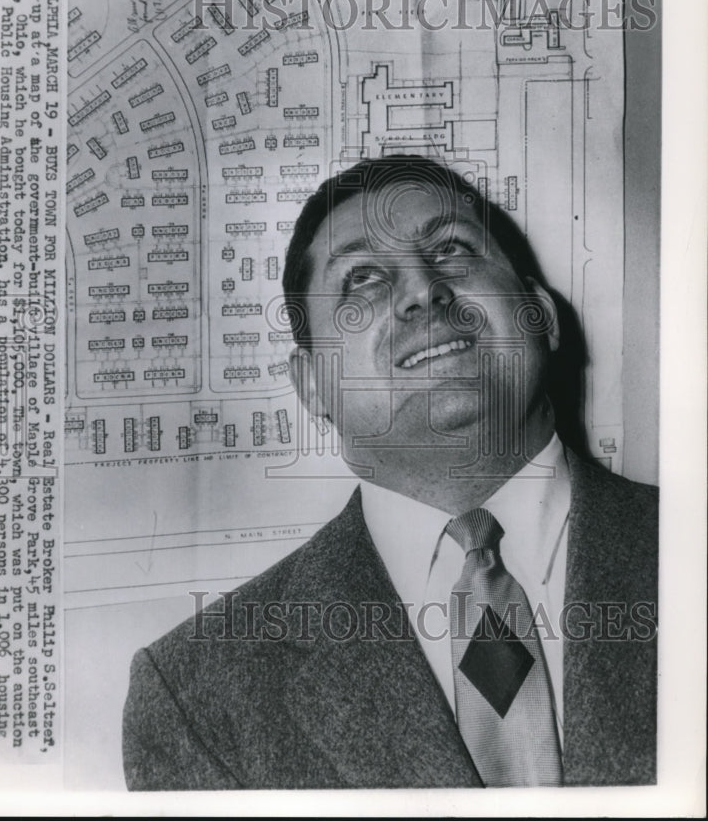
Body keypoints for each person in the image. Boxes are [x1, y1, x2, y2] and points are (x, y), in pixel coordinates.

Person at [122, 153, 657, 789]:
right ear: (313, 383)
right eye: (363, 279)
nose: (422, 290)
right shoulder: (195, 695)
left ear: (540, 315)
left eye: (453, 248)